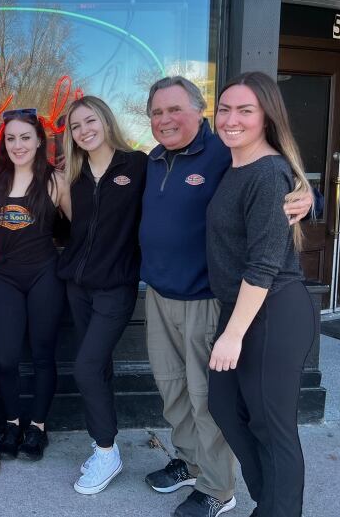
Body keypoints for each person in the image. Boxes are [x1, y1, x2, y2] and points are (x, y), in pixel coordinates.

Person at [139, 76, 312, 517]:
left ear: (197, 112)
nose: (165, 119)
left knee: (256, 419)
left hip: (239, 304)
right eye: (157, 112)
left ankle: (236, 493)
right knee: (204, 399)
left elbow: (280, 201)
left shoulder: (231, 155)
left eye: (175, 109)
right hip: (185, 297)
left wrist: (313, 196)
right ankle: (245, 490)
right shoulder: (159, 160)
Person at [206, 71, 317, 517]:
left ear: (267, 116)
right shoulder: (235, 163)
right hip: (242, 307)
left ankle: (278, 509)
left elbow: (264, 265)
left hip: (272, 310)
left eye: (245, 110)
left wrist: (231, 335)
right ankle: (269, 501)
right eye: (225, 109)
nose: (231, 119)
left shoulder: (269, 173)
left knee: (273, 426)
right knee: (224, 404)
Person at [57, 95, 147, 495]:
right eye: (76, 126)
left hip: (116, 286)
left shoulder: (138, 165)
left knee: (86, 367)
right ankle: (102, 442)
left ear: (106, 121)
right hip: (77, 286)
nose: (84, 130)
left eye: (89, 121)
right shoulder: (71, 177)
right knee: (99, 367)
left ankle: (108, 453)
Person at [0, 108, 70, 462]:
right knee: (4, 358)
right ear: (4, 143)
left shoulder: (56, 181)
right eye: (11, 138)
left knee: (43, 355)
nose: (18, 144)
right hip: (4, 276)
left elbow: (82, 227)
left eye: (25, 137)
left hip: (44, 275)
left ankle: (37, 427)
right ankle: (12, 423)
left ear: (39, 141)